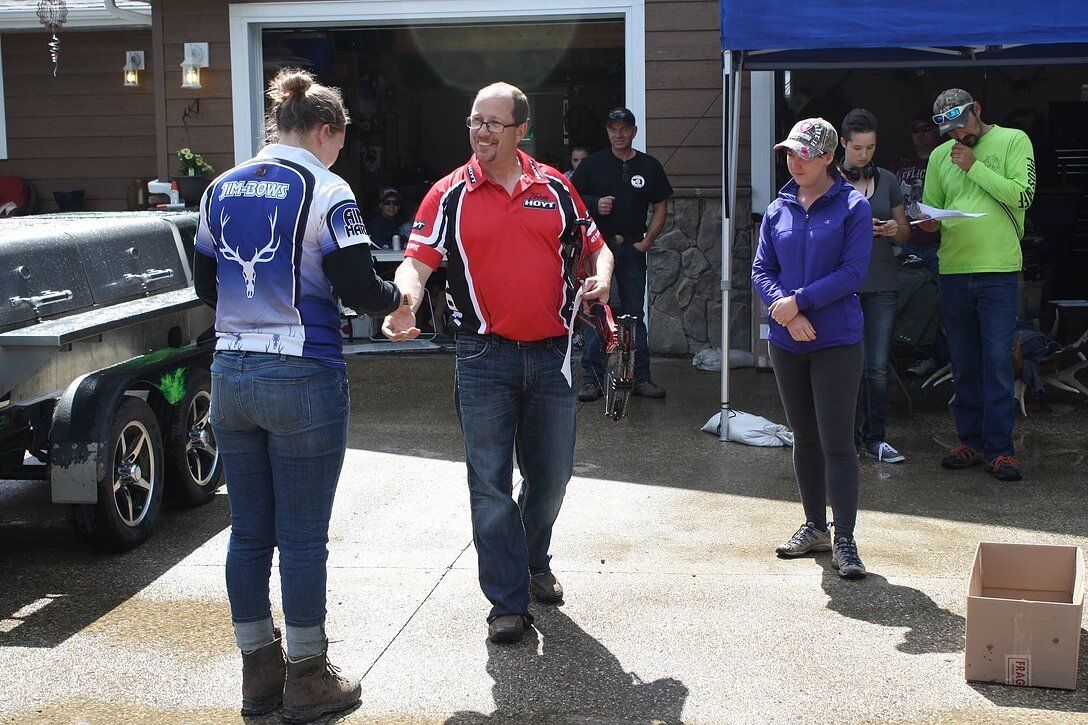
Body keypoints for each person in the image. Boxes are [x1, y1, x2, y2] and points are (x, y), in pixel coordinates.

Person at [193, 68, 403, 722]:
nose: (339, 148)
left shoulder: (220, 187)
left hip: (230, 374)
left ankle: (259, 670)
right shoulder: (326, 187)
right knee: (303, 536)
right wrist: (399, 302)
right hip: (303, 375)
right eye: (339, 138)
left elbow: (207, 285)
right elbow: (357, 283)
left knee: (248, 531)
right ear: (323, 130)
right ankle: (308, 673)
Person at [381, 82, 613, 644]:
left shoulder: (556, 187)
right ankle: (506, 601)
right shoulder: (449, 193)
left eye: (492, 123)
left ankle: (532, 561)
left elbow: (595, 244)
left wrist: (602, 277)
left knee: (551, 478)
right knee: (489, 483)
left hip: (554, 354)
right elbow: (417, 261)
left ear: (519, 131)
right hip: (483, 356)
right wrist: (405, 303)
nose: (480, 132)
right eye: (474, 122)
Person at [750, 118, 872, 579]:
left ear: (828, 158)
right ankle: (814, 526)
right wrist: (785, 309)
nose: (794, 160)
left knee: (837, 442)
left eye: (804, 153)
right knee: (804, 437)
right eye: (789, 153)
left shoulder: (852, 207)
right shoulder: (777, 209)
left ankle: (845, 539)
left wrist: (798, 303)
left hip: (837, 340)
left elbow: (852, 273)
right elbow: (761, 268)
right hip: (787, 339)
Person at [918, 88, 1035, 482]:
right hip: (953, 269)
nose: (957, 138)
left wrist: (974, 166)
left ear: (978, 110)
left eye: (962, 126)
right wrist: (929, 222)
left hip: (999, 270)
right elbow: (931, 208)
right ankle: (968, 440)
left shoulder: (1013, 140)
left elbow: (1023, 195)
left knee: (999, 361)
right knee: (964, 362)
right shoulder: (938, 157)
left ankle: (1001, 449)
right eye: (949, 132)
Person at [572, 108, 672, 402]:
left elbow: (661, 205)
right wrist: (594, 203)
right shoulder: (592, 165)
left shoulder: (649, 165)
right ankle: (592, 380)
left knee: (633, 315)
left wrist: (648, 240)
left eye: (624, 129)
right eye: (613, 129)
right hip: (596, 251)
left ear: (634, 131)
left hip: (631, 249)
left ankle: (640, 377)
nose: (619, 134)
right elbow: (571, 200)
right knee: (594, 313)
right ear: (608, 132)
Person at [836, 109, 911, 464]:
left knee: (877, 367)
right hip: (842, 287)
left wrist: (897, 231)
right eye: (857, 148)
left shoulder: (889, 179)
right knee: (847, 363)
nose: (864, 155)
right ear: (843, 144)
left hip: (882, 282)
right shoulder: (830, 180)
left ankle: (876, 438)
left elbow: (906, 230)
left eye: (870, 148)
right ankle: (845, 437)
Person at [893, 112, 948, 377]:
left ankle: (942, 357)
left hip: (940, 241)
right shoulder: (901, 164)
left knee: (942, 301)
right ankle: (920, 355)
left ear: (936, 132)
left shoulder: (944, 160)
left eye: (926, 128)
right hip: (909, 242)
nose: (921, 134)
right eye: (915, 129)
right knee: (913, 302)